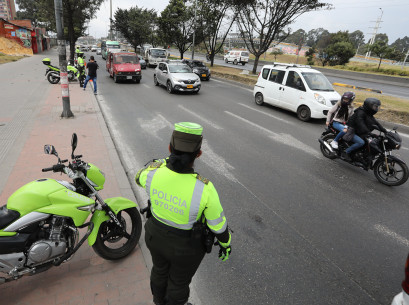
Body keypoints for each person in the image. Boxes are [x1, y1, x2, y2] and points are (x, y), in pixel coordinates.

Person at [135, 122, 232, 305]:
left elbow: (137, 177)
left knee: (159, 270)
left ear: (170, 148)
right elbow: (218, 226)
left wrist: (162, 162)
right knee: (178, 282)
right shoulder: (205, 189)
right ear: (199, 154)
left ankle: (158, 301)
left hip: (154, 237)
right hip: (185, 248)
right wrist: (226, 245)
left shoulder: (152, 174)